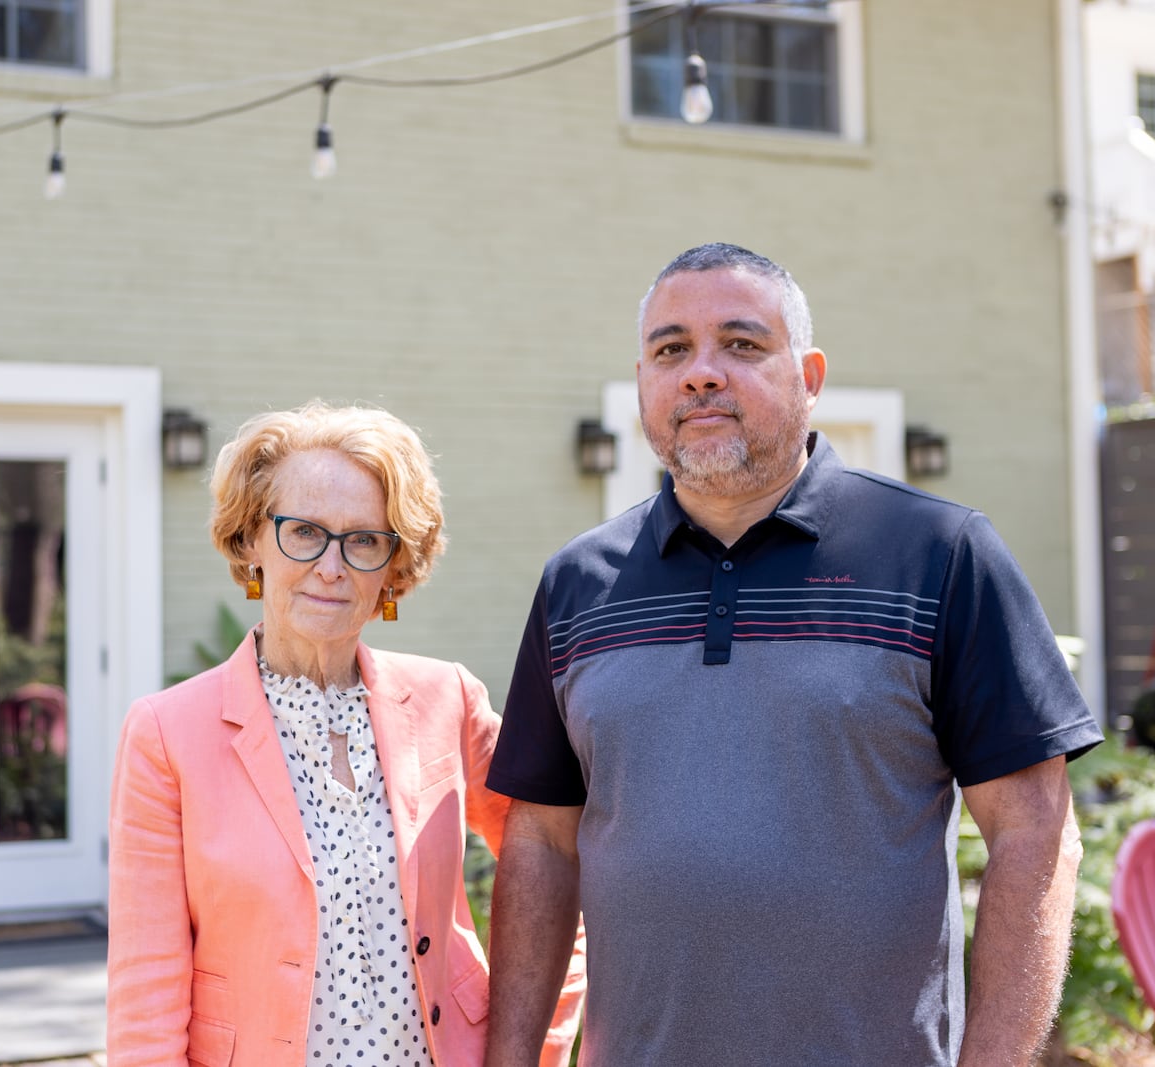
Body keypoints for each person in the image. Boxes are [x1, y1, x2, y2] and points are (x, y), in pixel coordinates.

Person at [482, 244, 1105, 1067]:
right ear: (643, 383)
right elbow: (540, 846)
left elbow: (1035, 833)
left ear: (809, 376)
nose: (701, 373)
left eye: (741, 344)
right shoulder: (577, 584)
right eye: (672, 350)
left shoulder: (939, 554)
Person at [108, 401, 584, 1067]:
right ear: (251, 539)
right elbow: (145, 1005)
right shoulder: (165, 734)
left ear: (393, 566)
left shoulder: (447, 699)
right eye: (303, 531)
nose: (331, 566)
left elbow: (560, 863)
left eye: (363, 539)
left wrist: (531, 1050)